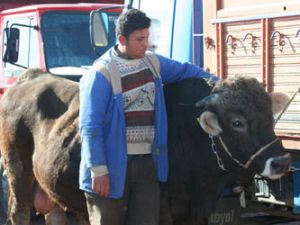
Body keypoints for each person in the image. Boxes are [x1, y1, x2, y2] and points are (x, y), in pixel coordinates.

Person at [79, 8, 216, 225]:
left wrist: (218, 83)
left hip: (146, 165)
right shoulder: (100, 74)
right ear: (122, 39)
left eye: (147, 37)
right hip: (111, 167)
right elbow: (90, 127)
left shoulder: (152, 63)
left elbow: (186, 71)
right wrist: (98, 170)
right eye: (139, 39)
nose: (146, 43)